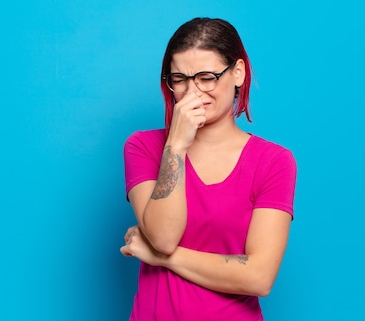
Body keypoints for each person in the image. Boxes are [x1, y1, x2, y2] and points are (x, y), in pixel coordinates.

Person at [120, 17, 297, 321]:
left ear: (238, 73)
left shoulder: (273, 161)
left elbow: (258, 277)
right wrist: (175, 145)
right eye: (179, 79)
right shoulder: (143, 147)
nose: (193, 92)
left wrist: (163, 259)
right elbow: (163, 236)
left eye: (206, 77)